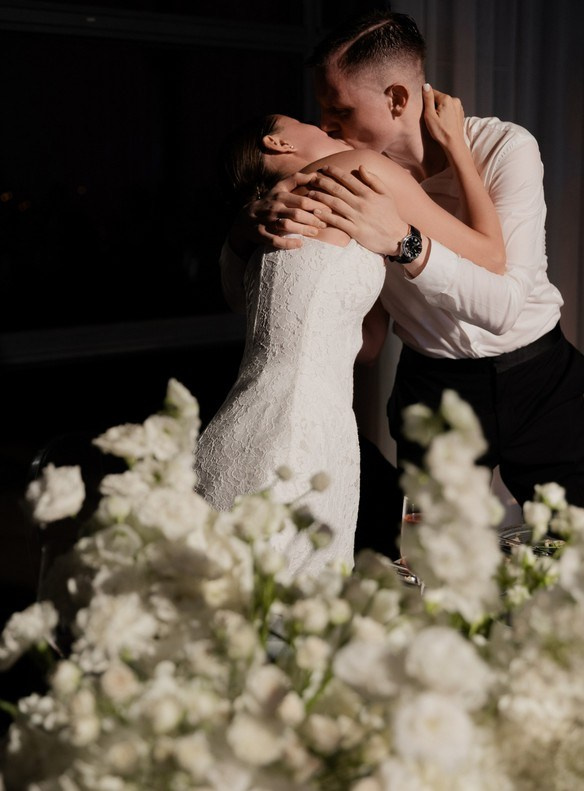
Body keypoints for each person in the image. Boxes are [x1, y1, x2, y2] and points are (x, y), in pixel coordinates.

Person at [220, 9, 584, 510]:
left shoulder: (504, 147)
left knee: (574, 543)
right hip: (431, 389)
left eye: (339, 110)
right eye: (320, 111)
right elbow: (368, 343)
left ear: (395, 99)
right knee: (438, 563)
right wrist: (246, 231)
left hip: (542, 381)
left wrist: (405, 241)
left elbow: (503, 306)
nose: (326, 125)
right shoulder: (348, 176)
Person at [194, 98, 505, 577]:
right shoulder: (357, 167)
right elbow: (490, 257)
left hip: (252, 422)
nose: (326, 127)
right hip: (309, 432)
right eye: (303, 121)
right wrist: (459, 149)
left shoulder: (268, 222)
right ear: (277, 142)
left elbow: (367, 345)